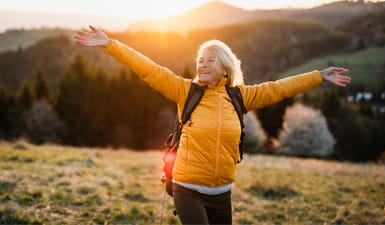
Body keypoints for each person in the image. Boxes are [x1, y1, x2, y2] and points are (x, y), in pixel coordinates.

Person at [74, 25, 351, 225]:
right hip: (187, 188)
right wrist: (111, 45)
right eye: (200, 61)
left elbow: (280, 89)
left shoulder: (240, 97)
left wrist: (319, 76)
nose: (202, 65)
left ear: (225, 67)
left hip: (222, 192)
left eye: (210, 60)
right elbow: (149, 69)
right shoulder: (185, 92)